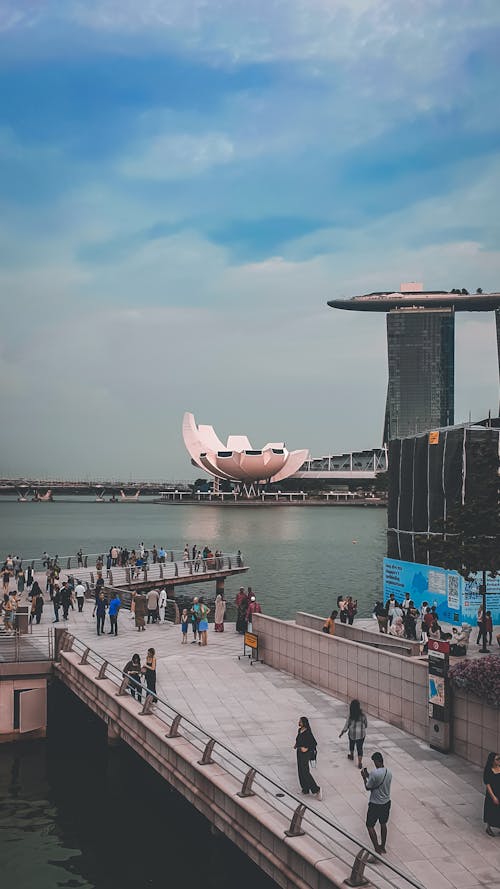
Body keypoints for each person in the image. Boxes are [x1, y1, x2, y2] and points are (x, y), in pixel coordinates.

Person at [362, 752, 392, 854]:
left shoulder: (375, 773)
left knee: (370, 825)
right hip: (386, 802)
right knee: (383, 823)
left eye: (374, 762)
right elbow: (378, 780)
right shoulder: (389, 772)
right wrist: (369, 775)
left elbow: (368, 787)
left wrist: (364, 777)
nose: (374, 764)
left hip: (375, 804)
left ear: (377, 761)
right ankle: (383, 846)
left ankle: (376, 849)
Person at [294, 716, 322, 799]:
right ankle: (305, 788)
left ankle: (316, 789)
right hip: (299, 752)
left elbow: (314, 743)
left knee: (305, 771)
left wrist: (306, 748)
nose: (299, 722)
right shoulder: (300, 730)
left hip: (305, 754)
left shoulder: (308, 732)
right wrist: (296, 745)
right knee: (300, 770)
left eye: (300, 721)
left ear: (304, 723)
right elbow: (299, 739)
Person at [339, 700, 368, 769]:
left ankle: (351, 755)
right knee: (360, 748)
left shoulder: (350, 716)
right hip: (361, 734)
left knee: (351, 744)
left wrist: (342, 733)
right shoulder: (363, 715)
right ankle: (359, 762)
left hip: (352, 734)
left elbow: (346, 726)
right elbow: (366, 724)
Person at [484, 752, 500, 836]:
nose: (499, 761)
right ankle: (488, 827)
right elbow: (487, 784)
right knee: (491, 810)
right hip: (493, 793)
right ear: (492, 761)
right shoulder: (488, 770)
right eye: (497, 759)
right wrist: (493, 797)